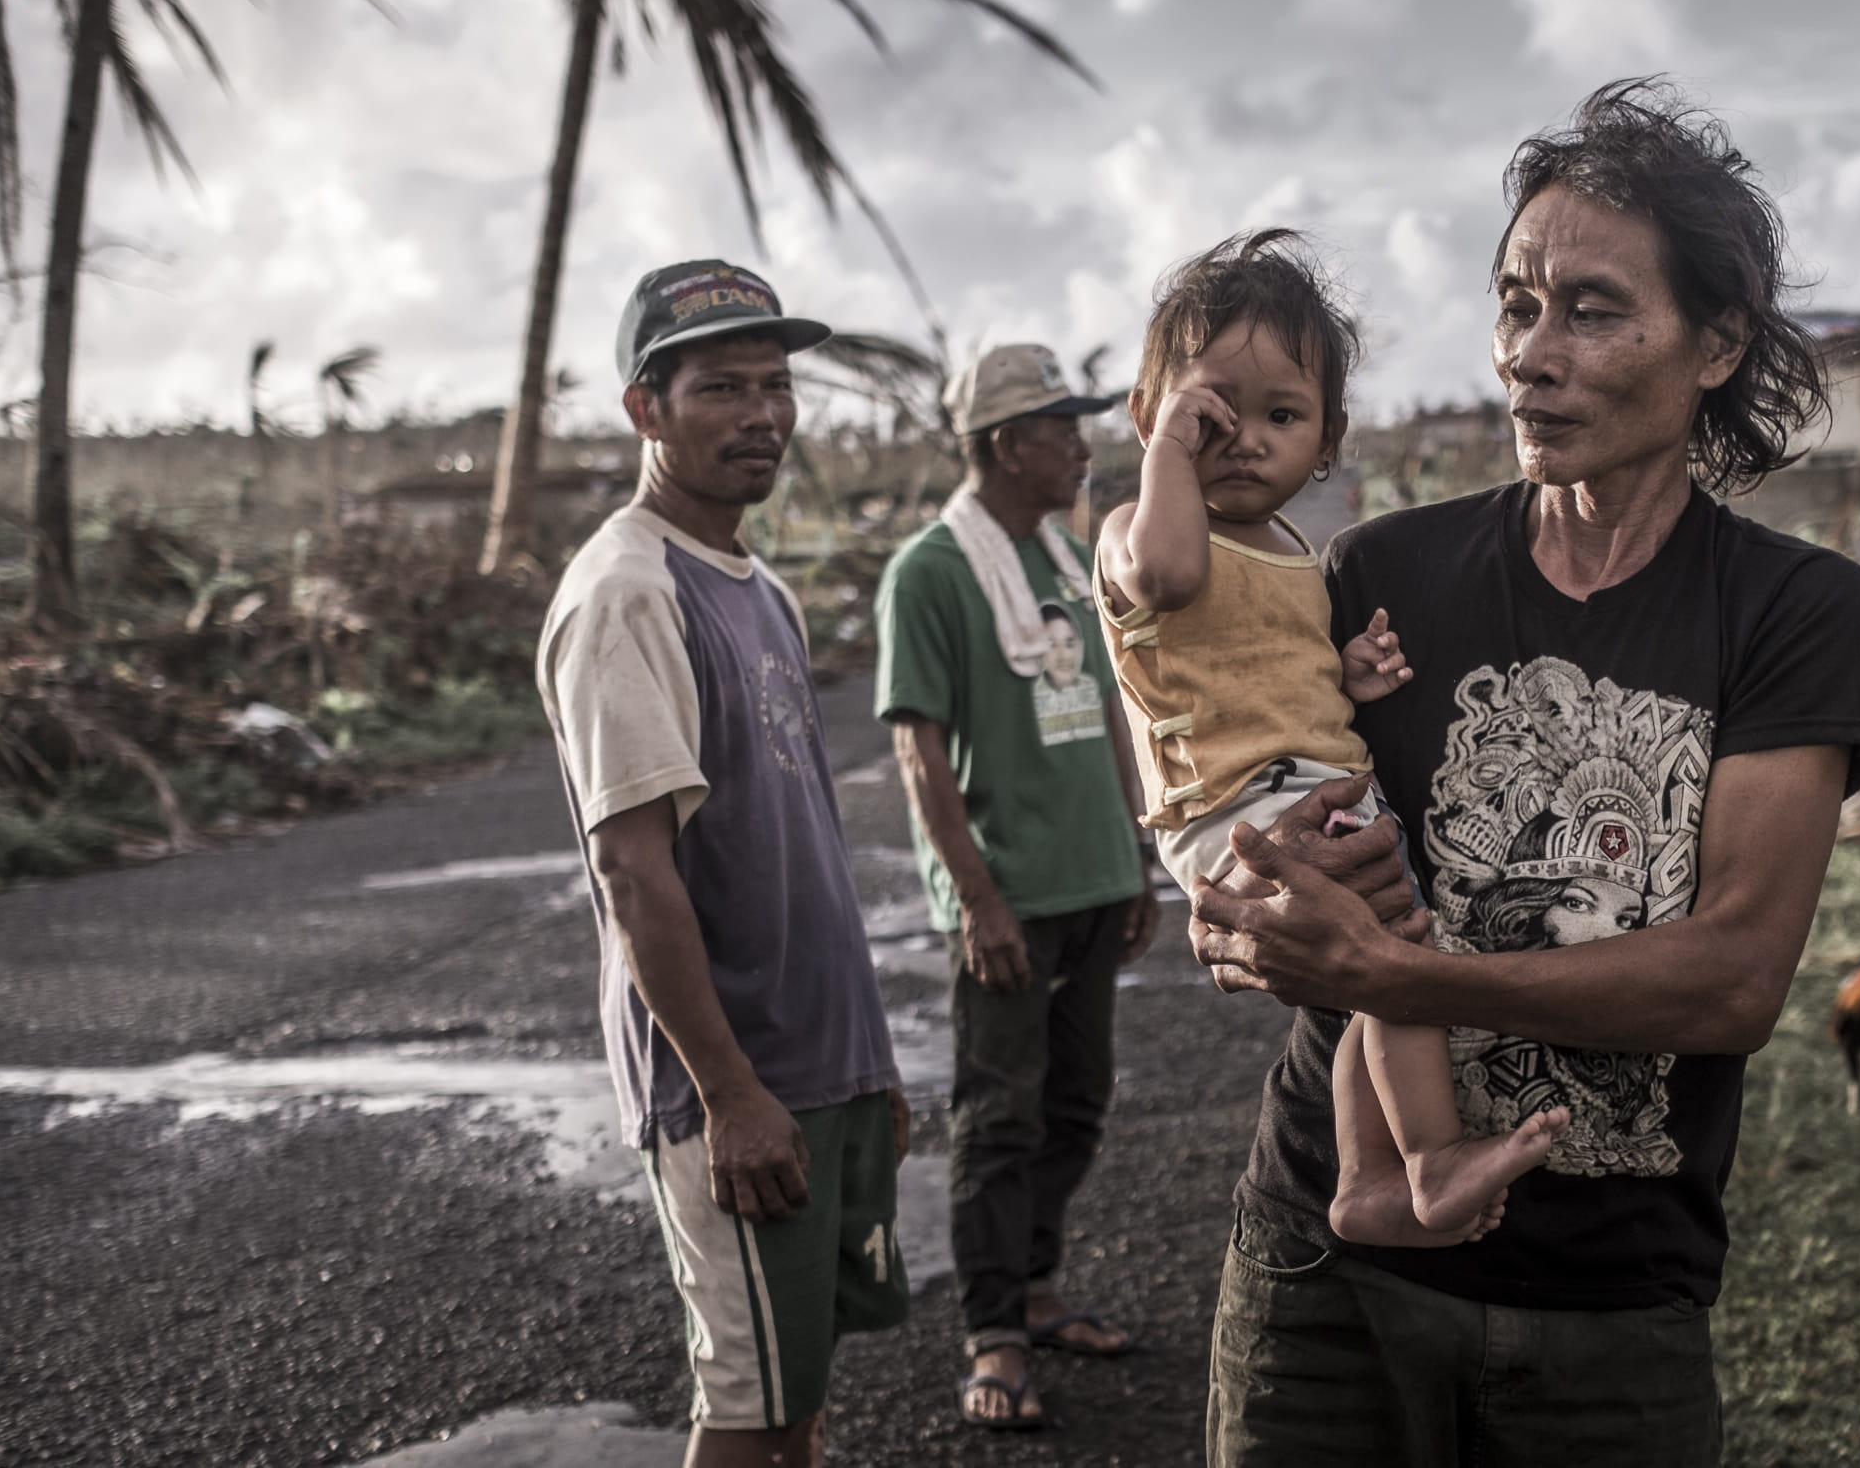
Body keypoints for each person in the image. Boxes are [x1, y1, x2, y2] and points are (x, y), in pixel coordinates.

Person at [1186, 80, 1860, 1466]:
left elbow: (1733, 979)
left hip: (1608, 1300)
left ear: (1716, 343)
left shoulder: (1792, 609)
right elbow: (1261, 793)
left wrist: (1393, 976)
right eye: (1516, 304)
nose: (1532, 353)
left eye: (1592, 308)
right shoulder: (1383, 572)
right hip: (1329, 1268)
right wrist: (1239, 910)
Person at [1093, 229, 1572, 1250]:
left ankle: (1369, 1177)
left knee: (1385, 969)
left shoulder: (1294, 549)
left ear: (1328, 438)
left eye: (1281, 416)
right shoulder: (1141, 526)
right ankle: (1427, 1156)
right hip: (1240, 808)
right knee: (1392, 962)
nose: (1246, 440)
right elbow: (1170, 586)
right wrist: (1167, 455)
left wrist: (1341, 674)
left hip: (1306, 788)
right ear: (1151, 415)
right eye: (1212, 413)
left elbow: (1264, 661)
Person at [537, 260, 908, 1468]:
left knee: (797, 1392)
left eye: (776, 384)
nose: (763, 414)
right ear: (646, 406)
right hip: (738, 1075)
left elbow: (794, 844)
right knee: (744, 1407)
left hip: (821, 1061)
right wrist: (729, 1092)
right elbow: (636, 875)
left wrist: (868, 1059)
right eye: (721, 387)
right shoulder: (626, 592)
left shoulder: (762, 590)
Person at [873, 342, 1163, 1432]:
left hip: (1092, 877)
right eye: (1061, 427)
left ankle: (1038, 1289)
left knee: (1076, 1101)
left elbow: (1109, 705)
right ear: (1007, 445)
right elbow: (918, 749)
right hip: (1012, 897)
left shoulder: (1057, 553)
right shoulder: (932, 571)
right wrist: (978, 899)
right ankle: (994, 1332)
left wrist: (1136, 850)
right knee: (999, 1116)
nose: (1081, 445)